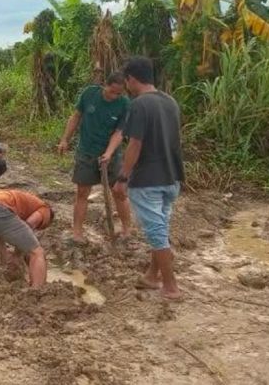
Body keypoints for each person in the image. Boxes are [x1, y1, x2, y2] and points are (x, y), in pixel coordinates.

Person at [113, 57, 184, 300]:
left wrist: (123, 176)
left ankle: (171, 287)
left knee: (156, 233)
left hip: (148, 180)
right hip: (172, 177)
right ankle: (152, 276)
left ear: (131, 78)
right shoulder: (170, 102)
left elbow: (135, 144)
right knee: (161, 229)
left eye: (127, 81)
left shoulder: (139, 105)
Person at [57, 72, 134, 244]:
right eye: (112, 92)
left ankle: (127, 230)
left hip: (112, 156)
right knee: (82, 192)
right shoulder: (89, 94)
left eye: (118, 93)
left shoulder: (124, 104)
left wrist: (108, 152)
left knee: (119, 192)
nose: (114, 96)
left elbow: (119, 132)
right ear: (104, 86)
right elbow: (76, 117)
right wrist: (65, 139)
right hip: (86, 152)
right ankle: (77, 233)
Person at [0, 189, 53, 287]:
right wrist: (17, 255)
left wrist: (6, 256)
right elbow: (30, 223)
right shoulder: (45, 210)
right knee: (37, 252)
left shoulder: (24, 201)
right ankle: (37, 290)